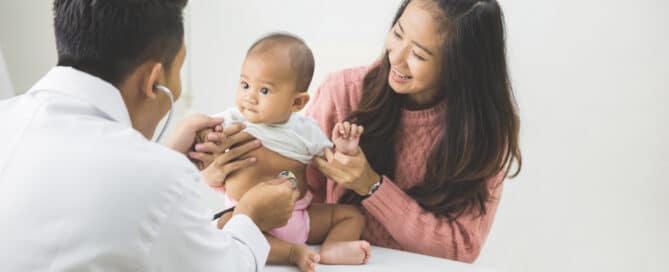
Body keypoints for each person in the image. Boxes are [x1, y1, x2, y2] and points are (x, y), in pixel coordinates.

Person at [0, 1, 297, 271]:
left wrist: (163, 159)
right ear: (153, 82)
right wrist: (251, 217)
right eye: (178, 71)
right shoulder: (158, 178)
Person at [306, 0, 522, 263]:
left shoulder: (484, 132)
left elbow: (461, 248)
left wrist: (371, 185)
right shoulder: (343, 92)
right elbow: (297, 209)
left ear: (459, 68)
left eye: (418, 54)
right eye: (397, 33)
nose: (395, 57)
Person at [191, 33, 370, 272]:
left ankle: (334, 246)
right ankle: (292, 252)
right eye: (245, 85)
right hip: (248, 218)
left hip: (298, 216)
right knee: (225, 225)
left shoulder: (306, 130)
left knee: (352, 215)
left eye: (264, 90)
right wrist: (204, 139)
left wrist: (345, 148)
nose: (250, 97)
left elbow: (333, 163)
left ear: (297, 103)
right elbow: (201, 134)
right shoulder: (232, 120)